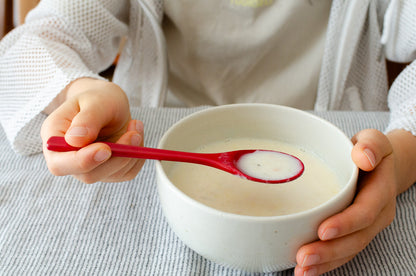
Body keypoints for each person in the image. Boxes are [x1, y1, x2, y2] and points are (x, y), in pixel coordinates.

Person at [1, 0, 416, 275]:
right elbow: (33, 44)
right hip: (163, 151)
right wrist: (80, 93)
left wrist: (402, 151)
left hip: (339, 145)